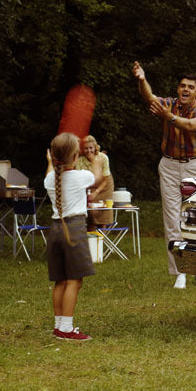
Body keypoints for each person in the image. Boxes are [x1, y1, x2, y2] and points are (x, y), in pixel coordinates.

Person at [131, 61, 196, 289]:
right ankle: (180, 271)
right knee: (172, 221)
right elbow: (149, 98)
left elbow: (192, 125)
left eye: (190, 87)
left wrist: (169, 117)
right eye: (182, 86)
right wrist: (142, 80)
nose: (185, 89)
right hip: (169, 166)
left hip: (193, 167)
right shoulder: (169, 103)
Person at [45, 132, 102, 341]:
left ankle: (59, 325)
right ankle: (67, 329)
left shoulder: (49, 180)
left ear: (53, 156)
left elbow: (51, 172)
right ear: (76, 157)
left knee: (60, 281)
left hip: (55, 230)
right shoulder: (81, 177)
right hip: (74, 230)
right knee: (74, 281)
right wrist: (95, 159)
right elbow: (97, 178)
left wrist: (50, 162)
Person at [75, 134, 114, 230]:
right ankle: (92, 240)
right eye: (86, 148)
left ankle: (100, 241)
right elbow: (79, 180)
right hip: (89, 187)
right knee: (91, 215)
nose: (88, 151)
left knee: (103, 214)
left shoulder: (103, 158)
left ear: (95, 147)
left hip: (105, 186)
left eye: (91, 148)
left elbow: (105, 178)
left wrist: (96, 192)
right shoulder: (80, 161)